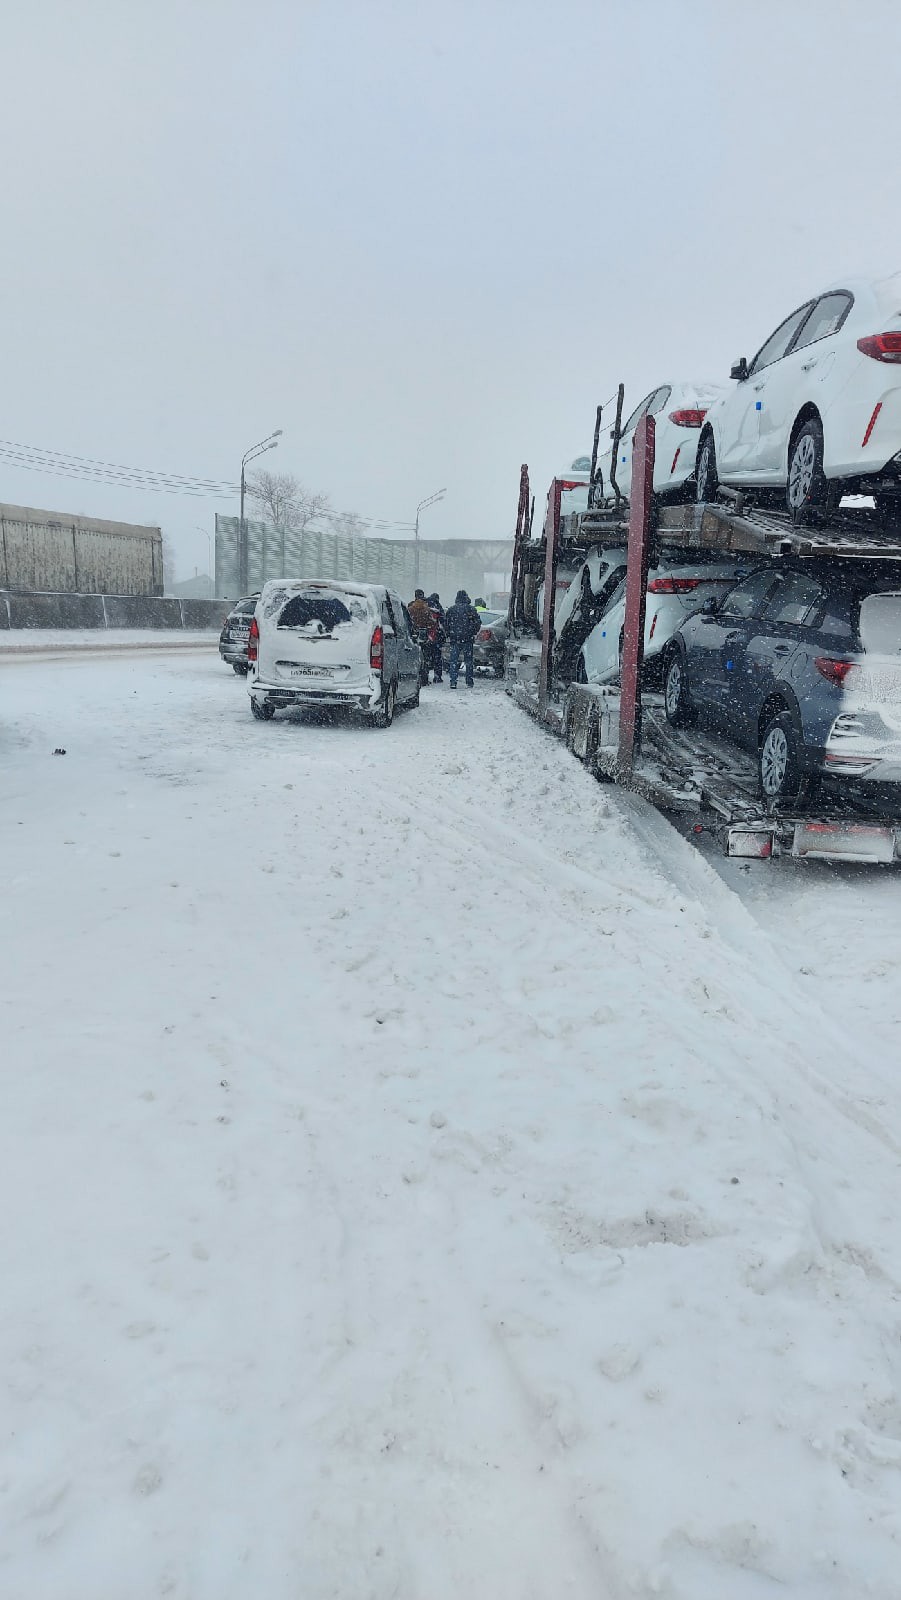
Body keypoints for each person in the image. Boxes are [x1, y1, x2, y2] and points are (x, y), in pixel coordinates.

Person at [444, 589, 481, 688]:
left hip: (454, 639)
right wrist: (473, 632)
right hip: (467, 639)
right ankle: (469, 681)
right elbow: (477, 623)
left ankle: (453, 681)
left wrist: (449, 633)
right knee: (468, 661)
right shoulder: (471, 609)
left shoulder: (451, 610)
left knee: (454, 661)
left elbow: (445, 623)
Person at [425, 593, 445, 684]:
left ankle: (425, 676)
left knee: (426, 658)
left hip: (426, 637)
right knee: (437, 658)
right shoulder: (438, 608)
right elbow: (443, 622)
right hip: (436, 637)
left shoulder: (425, 605)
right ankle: (437, 677)